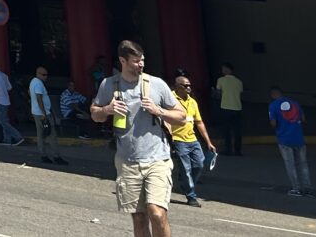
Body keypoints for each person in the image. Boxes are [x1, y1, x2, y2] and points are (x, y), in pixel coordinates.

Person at [91, 40, 186, 237]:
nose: (140, 64)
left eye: (142, 60)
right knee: (139, 217)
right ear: (122, 61)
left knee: (157, 213)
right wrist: (107, 110)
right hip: (127, 162)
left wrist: (158, 110)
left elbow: (182, 116)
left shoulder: (157, 84)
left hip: (157, 160)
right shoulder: (109, 84)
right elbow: (94, 113)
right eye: (135, 61)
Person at [170, 73, 215, 206]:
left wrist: (208, 142)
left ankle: (184, 182)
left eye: (190, 85)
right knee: (186, 168)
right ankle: (191, 196)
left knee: (199, 164)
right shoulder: (170, 99)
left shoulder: (192, 101)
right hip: (178, 139)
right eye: (185, 86)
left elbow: (199, 122)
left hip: (192, 139)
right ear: (178, 87)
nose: (189, 88)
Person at [268, 86, 312, 197]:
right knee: (303, 164)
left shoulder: (273, 106)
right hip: (298, 137)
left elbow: (273, 123)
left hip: (284, 139)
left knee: (290, 164)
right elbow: (303, 118)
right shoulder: (295, 103)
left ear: (273, 95)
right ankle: (307, 188)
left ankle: (296, 188)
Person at [29, 66, 66, 165]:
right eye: (43, 75)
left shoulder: (33, 82)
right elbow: (39, 98)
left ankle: (43, 155)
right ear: (38, 74)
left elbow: (30, 93)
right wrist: (44, 113)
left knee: (40, 134)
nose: (46, 77)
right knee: (52, 135)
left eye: (46, 75)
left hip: (36, 112)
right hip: (43, 113)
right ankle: (56, 156)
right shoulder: (38, 84)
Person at [0, 62, 24, 146]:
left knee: (3, 122)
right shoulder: (4, 75)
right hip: (6, 101)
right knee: (4, 120)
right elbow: (9, 87)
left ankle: (18, 136)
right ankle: (7, 139)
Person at [214, 62, 244, 157]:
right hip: (237, 107)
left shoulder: (221, 80)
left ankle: (228, 150)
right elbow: (240, 93)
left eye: (224, 69)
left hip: (225, 107)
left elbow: (218, 94)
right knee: (237, 131)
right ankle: (238, 150)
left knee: (226, 130)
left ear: (228, 70)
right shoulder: (239, 81)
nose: (222, 70)